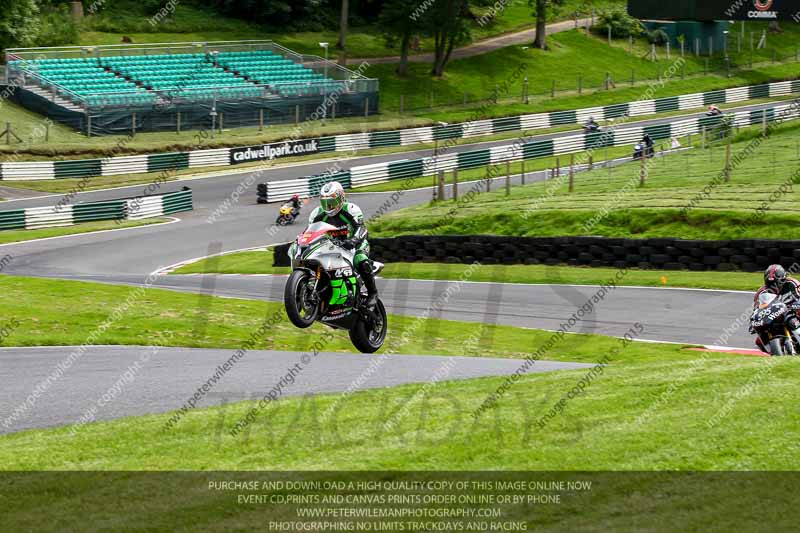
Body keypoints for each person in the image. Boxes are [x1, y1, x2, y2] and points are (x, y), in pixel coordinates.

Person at [308, 181, 378, 307]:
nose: (328, 207)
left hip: (355, 244)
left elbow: (362, 229)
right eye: (325, 203)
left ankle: (373, 293)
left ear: (341, 198)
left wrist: (353, 241)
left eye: (331, 202)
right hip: (331, 246)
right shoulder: (316, 214)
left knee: (361, 260)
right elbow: (310, 232)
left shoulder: (351, 210)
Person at [751, 264, 800, 353]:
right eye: (769, 283)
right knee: (759, 341)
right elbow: (757, 308)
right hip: (774, 316)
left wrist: (795, 305)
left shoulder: (793, 283)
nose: (772, 286)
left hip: (793, 310)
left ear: (782, 280)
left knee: (792, 320)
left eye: (775, 283)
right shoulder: (761, 292)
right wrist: (753, 321)